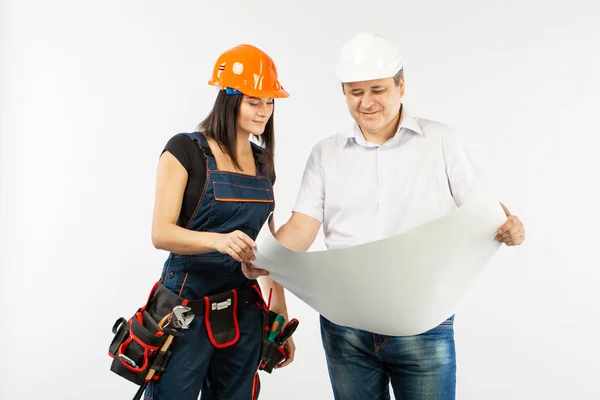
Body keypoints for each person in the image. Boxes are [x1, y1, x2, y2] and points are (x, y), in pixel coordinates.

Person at [243, 32, 526, 400]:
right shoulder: (326, 153)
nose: (367, 103)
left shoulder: (441, 141)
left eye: (377, 90)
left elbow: (485, 210)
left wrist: (511, 226)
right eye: (355, 92)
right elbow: (302, 228)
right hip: (345, 328)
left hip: (422, 325)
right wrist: (266, 260)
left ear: (401, 85)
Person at [146, 44, 295, 400]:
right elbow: (160, 232)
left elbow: (267, 243)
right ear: (229, 99)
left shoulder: (263, 163)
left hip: (243, 308)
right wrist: (217, 240)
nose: (264, 112)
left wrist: (279, 310)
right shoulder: (185, 151)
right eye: (254, 101)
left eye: (270, 102)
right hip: (186, 308)